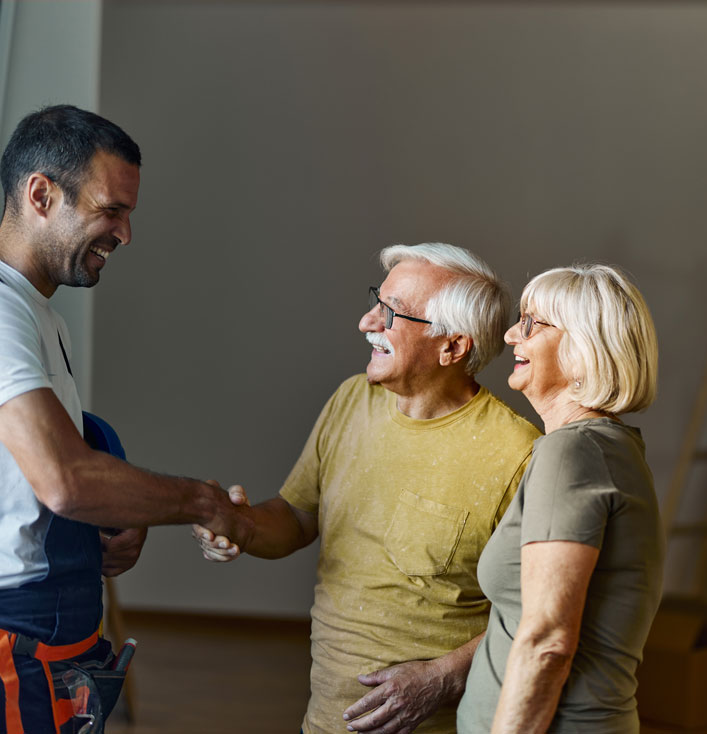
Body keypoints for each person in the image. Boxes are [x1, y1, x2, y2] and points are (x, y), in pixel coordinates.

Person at [0, 105, 248, 734]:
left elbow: (43, 475)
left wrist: (121, 518)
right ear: (41, 194)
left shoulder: (41, 317)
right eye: (111, 209)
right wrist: (201, 503)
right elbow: (64, 480)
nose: (124, 233)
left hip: (47, 646)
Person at [195, 243, 541, 734]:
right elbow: (296, 517)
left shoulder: (519, 453)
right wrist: (239, 525)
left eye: (391, 313)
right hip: (323, 721)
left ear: (453, 347)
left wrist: (440, 679)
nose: (366, 321)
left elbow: (537, 617)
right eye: (377, 300)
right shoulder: (352, 399)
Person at [456, 264, 665, 734]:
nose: (511, 334)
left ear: (582, 348)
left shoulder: (575, 451)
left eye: (531, 323)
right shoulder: (606, 446)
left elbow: (548, 641)